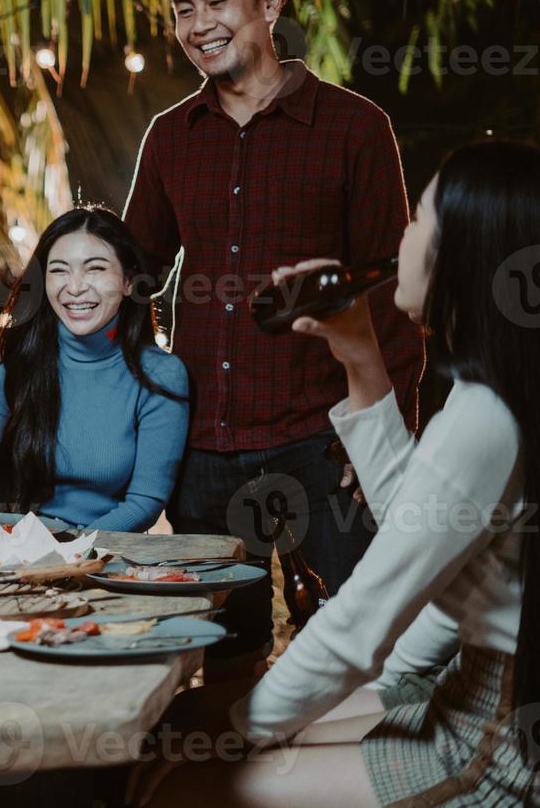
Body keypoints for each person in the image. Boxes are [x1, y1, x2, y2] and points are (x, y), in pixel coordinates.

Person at [0, 0, 426, 681]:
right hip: (204, 452)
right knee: (223, 659)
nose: (198, 26)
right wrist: (19, 330)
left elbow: (392, 291)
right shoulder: (171, 137)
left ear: (272, 2)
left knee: (359, 652)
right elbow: (126, 267)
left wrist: (386, 429)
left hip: (319, 443)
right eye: (183, 9)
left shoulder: (356, 128)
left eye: (216, 1)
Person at [129, 141, 539, 806]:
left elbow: (359, 622)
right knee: (174, 726)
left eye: (421, 222)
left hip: (490, 741)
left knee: (182, 783)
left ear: (461, 253)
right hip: (458, 695)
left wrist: (239, 735)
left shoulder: (485, 415)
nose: (401, 237)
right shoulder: (491, 395)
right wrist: (358, 351)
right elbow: (425, 540)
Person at [0, 206, 189, 531]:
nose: (75, 287)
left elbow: (144, 503)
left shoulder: (161, 376)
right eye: (59, 270)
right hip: (22, 553)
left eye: (95, 269)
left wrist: (68, 553)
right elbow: (2, 499)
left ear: (128, 281)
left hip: (106, 558)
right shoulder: (14, 362)